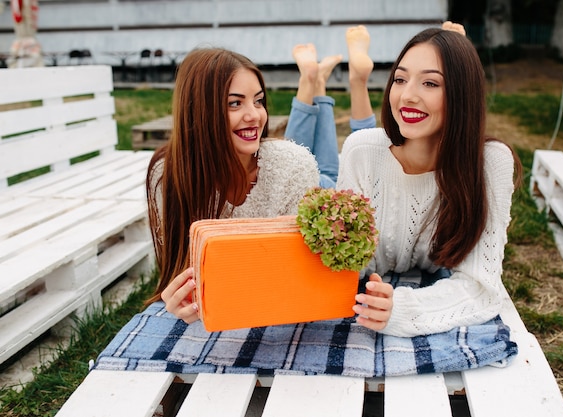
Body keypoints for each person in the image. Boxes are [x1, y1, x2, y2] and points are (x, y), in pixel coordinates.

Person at [336, 26, 523, 338]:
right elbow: (344, 265)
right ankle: (358, 77)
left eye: (430, 82)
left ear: (462, 94)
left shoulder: (490, 163)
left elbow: (482, 287)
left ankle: (455, 41)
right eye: (400, 79)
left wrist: (404, 309)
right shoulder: (361, 151)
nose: (407, 95)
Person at [145, 47, 322, 321]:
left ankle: (313, 81)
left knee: (324, 159)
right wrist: (182, 297)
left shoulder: (295, 167)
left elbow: (297, 273)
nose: (255, 115)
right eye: (234, 103)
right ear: (199, 112)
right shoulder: (167, 174)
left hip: (306, 176)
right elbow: (181, 273)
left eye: (259, 101)